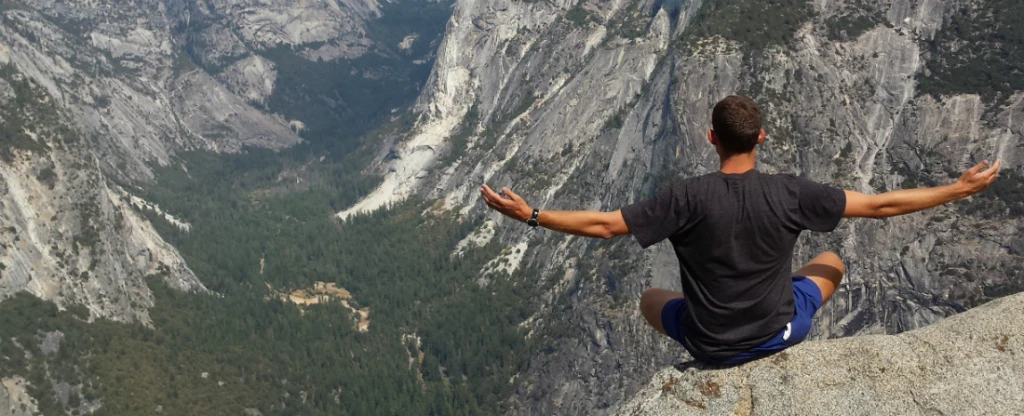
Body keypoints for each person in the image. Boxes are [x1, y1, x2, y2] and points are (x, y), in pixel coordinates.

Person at [479, 95, 1002, 365]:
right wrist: (955, 189)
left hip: (709, 343)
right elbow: (882, 206)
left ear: (711, 138)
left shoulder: (686, 197)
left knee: (648, 298)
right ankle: (785, 307)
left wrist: (531, 214)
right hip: (779, 332)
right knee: (833, 262)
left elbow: (605, 225)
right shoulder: (792, 192)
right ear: (762, 137)